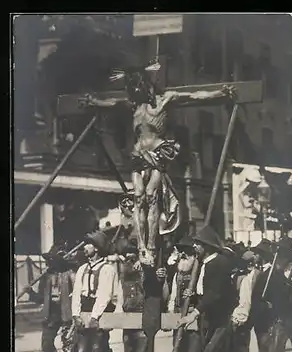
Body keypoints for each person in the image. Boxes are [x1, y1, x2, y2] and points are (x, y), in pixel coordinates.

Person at [81, 61, 235, 267]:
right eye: (133, 88)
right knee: (138, 198)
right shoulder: (134, 105)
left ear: (148, 85)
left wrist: (220, 93)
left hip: (157, 154)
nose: (136, 91)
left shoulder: (166, 99)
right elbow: (110, 103)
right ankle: (142, 246)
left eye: (139, 87)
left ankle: (152, 246)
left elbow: (195, 95)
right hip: (138, 155)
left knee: (152, 197)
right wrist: (93, 102)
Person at [176, 226, 249, 352]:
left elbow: (214, 294)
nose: (195, 247)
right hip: (209, 321)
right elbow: (205, 291)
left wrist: (195, 312)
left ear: (207, 246)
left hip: (221, 321)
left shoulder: (219, 263)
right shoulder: (205, 263)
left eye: (198, 244)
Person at [71, 229, 120, 352]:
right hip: (84, 311)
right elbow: (77, 293)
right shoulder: (82, 269)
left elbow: (105, 295)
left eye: (89, 244)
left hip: (100, 312)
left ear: (97, 248)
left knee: (97, 351)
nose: (85, 247)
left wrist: (95, 317)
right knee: (82, 351)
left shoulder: (107, 270)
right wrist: (76, 314)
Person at [118, 237, 167, 352]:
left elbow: (156, 285)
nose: (129, 259)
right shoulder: (123, 271)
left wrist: (149, 270)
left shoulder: (147, 270)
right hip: (128, 317)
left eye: (133, 255)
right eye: (126, 256)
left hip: (143, 316)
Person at [23, 244, 76, 352]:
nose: (49, 264)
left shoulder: (70, 274)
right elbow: (40, 298)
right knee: (46, 344)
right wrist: (30, 292)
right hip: (50, 313)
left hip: (66, 313)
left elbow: (77, 295)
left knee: (68, 345)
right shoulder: (45, 277)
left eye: (52, 261)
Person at [167, 235, 203, 352]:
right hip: (179, 316)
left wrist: (194, 295)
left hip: (194, 317)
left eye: (187, 253)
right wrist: (171, 312)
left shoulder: (200, 270)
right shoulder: (178, 273)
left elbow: (205, 293)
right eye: (181, 253)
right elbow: (173, 294)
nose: (183, 256)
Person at [231, 250, 261, 352]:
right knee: (242, 335)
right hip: (243, 307)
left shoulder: (258, 274)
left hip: (255, 308)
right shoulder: (238, 275)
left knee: (260, 336)